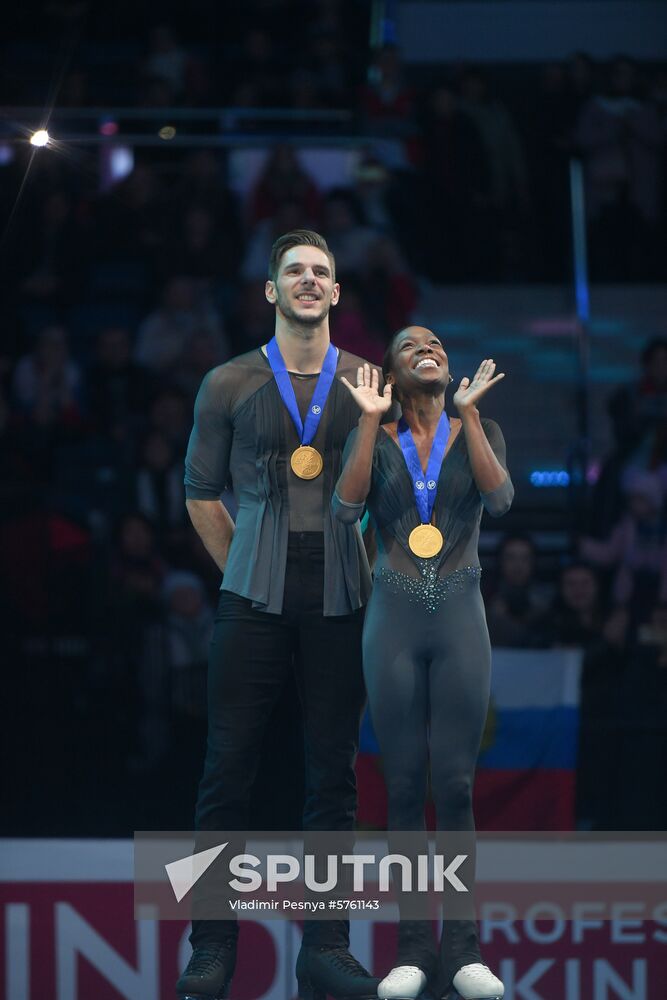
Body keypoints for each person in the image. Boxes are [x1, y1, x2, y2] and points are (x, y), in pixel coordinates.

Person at [178, 230, 381, 1000]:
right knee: (226, 769)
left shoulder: (367, 380)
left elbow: (388, 496)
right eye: (292, 270)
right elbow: (200, 494)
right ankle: (210, 948)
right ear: (270, 290)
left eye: (319, 273)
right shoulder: (227, 383)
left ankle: (326, 946)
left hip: (340, 593)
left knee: (333, 775)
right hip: (252, 594)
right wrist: (243, 569)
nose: (306, 280)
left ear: (334, 294)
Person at [333, 326, 512, 999]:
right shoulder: (375, 439)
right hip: (393, 625)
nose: (425, 346)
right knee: (404, 788)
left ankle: (463, 952)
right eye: (409, 345)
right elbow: (345, 507)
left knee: (457, 787)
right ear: (390, 373)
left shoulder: (481, 428)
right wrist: (367, 425)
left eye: (434, 341)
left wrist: (468, 415)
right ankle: (413, 949)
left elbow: (499, 500)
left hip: (461, 620)